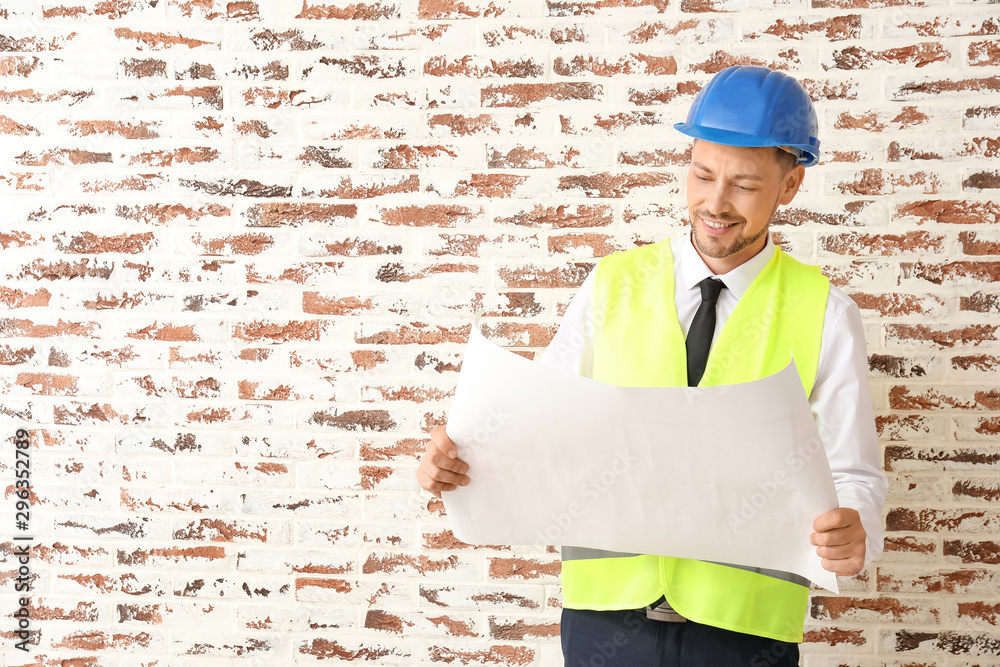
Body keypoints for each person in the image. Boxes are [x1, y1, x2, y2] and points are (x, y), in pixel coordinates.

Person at [417, 65, 887, 667]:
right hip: (604, 621)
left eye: (744, 184)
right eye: (701, 175)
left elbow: (854, 474)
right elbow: (536, 423)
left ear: (790, 185)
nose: (715, 204)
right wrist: (459, 458)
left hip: (745, 632)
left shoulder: (826, 313)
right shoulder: (611, 285)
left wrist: (856, 531)